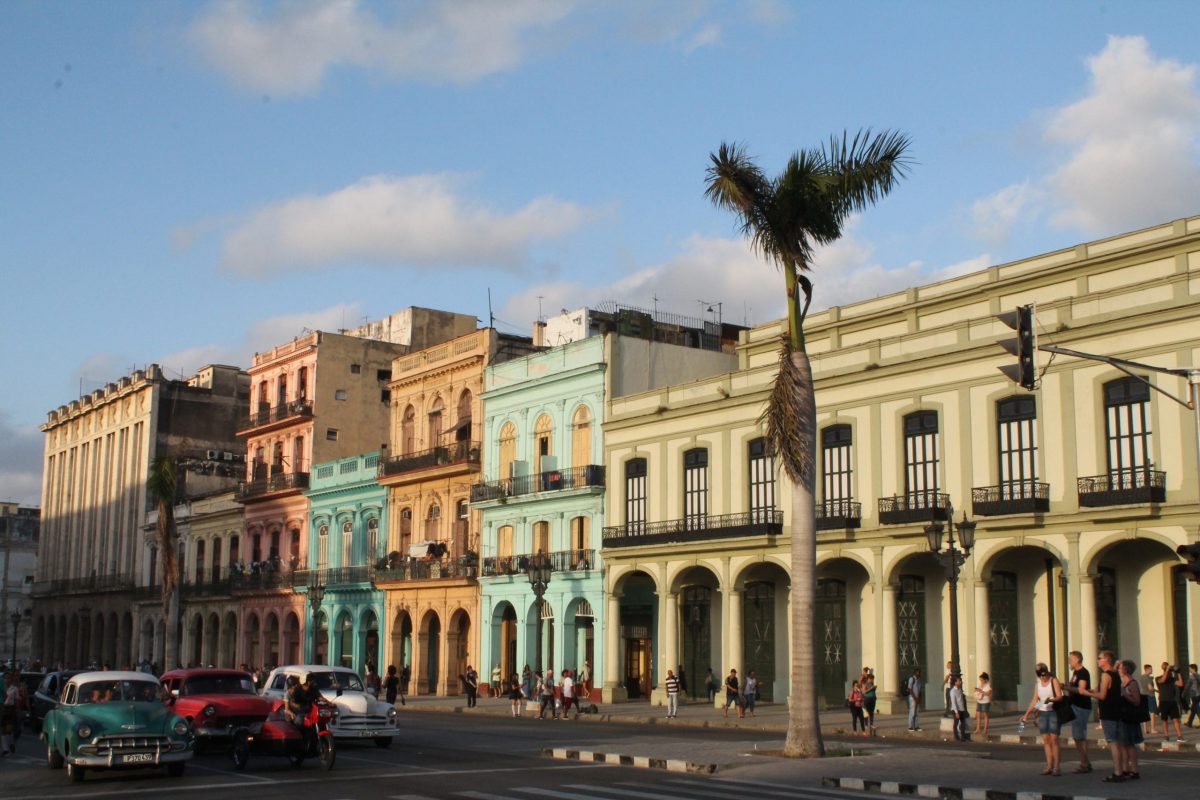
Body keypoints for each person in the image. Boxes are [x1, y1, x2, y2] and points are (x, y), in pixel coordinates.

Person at [1081, 650, 1127, 783]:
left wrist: (1086, 693)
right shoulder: (1115, 674)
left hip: (1109, 712)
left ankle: (1118, 772)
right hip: (1117, 711)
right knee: (1118, 743)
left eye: (1099, 658)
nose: (1097, 660)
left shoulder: (1106, 675)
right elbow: (1103, 690)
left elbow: (1102, 695)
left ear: (1106, 660)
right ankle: (1123, 769)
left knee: (1113, 743)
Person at [1019, 662, 1064, 776]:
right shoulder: (1038, 685)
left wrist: (1051, 700)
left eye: (1044, 675)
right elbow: (1036, 701)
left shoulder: (1054, 681)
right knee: (1046, 740)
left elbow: (1060, 697)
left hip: (1053, 712)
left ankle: (1057, 767)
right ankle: (1049, 765)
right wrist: (1026, 714)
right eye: (1040, 675)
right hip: (1043, 713)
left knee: (1054, 739)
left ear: (1047, 672)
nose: (1043, 677)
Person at [1065, 651, 1092, 772]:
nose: (1069, 662)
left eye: (1071, 659)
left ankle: (1084, 763)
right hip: (1074, 705)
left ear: (1077, 659)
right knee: (1079, 736)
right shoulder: (1075, 673)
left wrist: (1066, 688)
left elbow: (1081, 689)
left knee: (1079, 736)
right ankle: (1085, 762)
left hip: (1081, 706)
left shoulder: (1083, 673)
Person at [1117, 659, 1143, 781]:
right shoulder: (1122, 683)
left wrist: (1124, 694)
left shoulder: (1132, 683)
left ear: (1126, 669)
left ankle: (1135, 770)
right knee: (1123, 744)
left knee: (1130, 744)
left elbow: (1137, 701)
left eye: (1120, 667)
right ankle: (1125, 768)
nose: (1118, 670)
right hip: (1122, 716)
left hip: (1131, 717)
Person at [1156, 662, 1185, 741]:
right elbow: (1162, 680)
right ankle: (1166, 735)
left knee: (1176, 719)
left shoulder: (1172, 679)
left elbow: (1181, 684)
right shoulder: (1158, 678)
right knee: (1164, 720)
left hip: (1172, 701)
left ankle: (1179, 736)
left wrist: (1178, 673)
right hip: (1163, 701)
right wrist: (1167, 670)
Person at [1138, 664, 1158, 736]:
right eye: (1151, 669)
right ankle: (1153, 728)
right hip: (1150, 695)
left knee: (1145, 712)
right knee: (1152, 712)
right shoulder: (1148, 678)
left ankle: (1145, 729)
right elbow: (1150, 688)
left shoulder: (1141, 677)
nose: (1152, 670)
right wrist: (1157, 691)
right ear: (1147, 669)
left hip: (1143, 695)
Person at [949, 675, 969, 741]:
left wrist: (964, 709)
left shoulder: (960, 690)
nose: (960, 682)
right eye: (959, 681)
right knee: (956, 723)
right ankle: (956, 736)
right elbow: (954, 702)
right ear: (955, 682)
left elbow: (961, 700)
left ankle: (963, 737)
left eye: (960, 681)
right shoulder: (953, 691)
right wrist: (956, 712)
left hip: (961, 708)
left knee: (963, 723)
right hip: (956, 709)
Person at [973, 672, 992, 739]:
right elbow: (977, 691)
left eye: (982, 679)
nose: (980, 681)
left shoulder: (988, 685)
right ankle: (978, 729)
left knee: (985, 715)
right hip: (979, 701)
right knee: (978, 715)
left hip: (985, 701)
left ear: (985, 679)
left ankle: (985, 729)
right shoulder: (980, 685)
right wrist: (976, 690)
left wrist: (981, 691)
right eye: (980, 679)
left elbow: (988, 694)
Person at [861, 668, 878, 735]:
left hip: (872, 699)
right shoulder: (865, 684)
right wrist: (871, 688)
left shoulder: (872, 684)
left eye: (873, 679)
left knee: (871, 713)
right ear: (868, 679)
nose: (872, 680)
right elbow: (864, 692)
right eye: (871, 679)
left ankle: (871, 724)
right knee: (866, 713)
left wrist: (874, 689)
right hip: (867, 699)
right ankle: (866, 725)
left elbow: (872, 691)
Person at [1185, 664, 1200, 728]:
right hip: (1199, 694)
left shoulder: (1191, 677)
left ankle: (1189, 722)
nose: (1189, 670)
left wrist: (1184, 693)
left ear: (1193, 669)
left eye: (1190, 668)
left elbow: (1188, 685)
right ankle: (1189, 722)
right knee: (1193, 708)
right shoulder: (1199, 675)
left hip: (1194, 694)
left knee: (1196, 708)